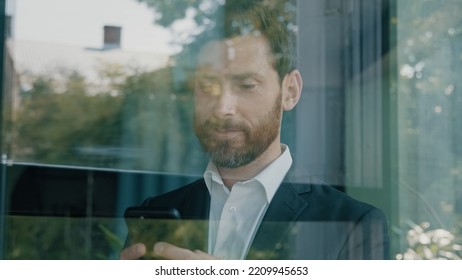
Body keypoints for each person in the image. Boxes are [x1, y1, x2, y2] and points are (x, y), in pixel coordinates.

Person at [120, 1, 389, 260]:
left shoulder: (353, 225)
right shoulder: (155, 212)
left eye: (246, 85)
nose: (222, 107)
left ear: (290, 91)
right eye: (207, 85)